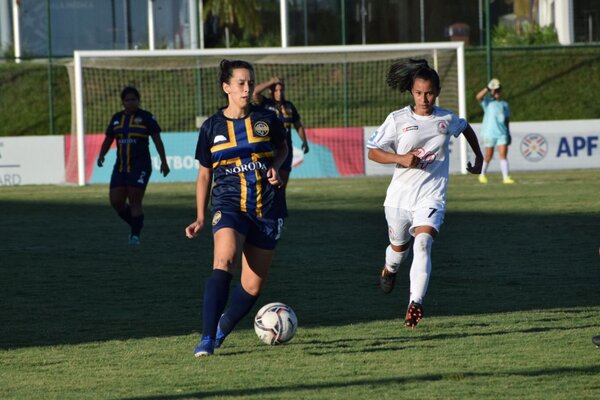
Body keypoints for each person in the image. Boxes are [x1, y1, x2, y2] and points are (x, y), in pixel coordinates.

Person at [366, 59, 483, 328]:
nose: (424, 98)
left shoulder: (446, 118)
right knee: (398, 252)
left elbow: (465, 128)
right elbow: (373, 151)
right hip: (398, 200)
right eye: (419, 93)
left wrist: (478, 158)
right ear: (411, 92)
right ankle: (389, 269)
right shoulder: (397, 119)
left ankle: (414, 303)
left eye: (429, 92)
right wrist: (400, 158)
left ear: (437, 91)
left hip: (431, 197)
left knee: (423, 243)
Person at [185, 59, 289, 357]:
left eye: (250, 82)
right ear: (226, 87)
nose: (247, 88)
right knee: (224, 260)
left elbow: (281, 148)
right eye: (241, 83)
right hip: (228, 205)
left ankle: (220, 331)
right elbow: (205, 173)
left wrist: (277, 168)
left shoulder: (267, 120)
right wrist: (201, 216)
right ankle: (206, 340)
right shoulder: (211, 128)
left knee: (252, 287)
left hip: (267, 207)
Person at [97, 86, 170, 245]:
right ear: (123, 102)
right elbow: (109, 138)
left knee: (135, 200)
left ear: (138, 100)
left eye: (134, 99)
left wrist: (164, 161)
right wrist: (102, 155)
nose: (131, 102)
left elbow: (157, 139)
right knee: (116, 201)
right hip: (121, 166)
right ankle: (137, 224)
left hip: (140, 166)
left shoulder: (146, 117)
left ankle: (135, 236)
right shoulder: (117, 118)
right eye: (127, 100)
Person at [253, 76, 309, 191]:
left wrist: (305, 142)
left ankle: (281, 208)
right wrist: (270, 81)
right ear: (270, 91)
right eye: (276, 90)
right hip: (269, 150)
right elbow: (254, 92)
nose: (279, 93)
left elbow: (298, 125)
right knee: (268, 185)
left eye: (281, 90)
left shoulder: (289, 106)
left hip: (285, 149)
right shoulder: (265, 103)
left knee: (281, 186)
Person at [475, 78, 514, 184]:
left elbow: (506, 120)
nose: (496, 92)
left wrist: (508, 133)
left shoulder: (504, 104)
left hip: (502, 133)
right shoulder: (487, 103)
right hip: (490, 133)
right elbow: (478, 97)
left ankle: (506, 178)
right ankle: (482, 174)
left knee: (503, 155)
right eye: (494, 90)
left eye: (498, 90)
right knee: (488, 155)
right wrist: (487, 88)